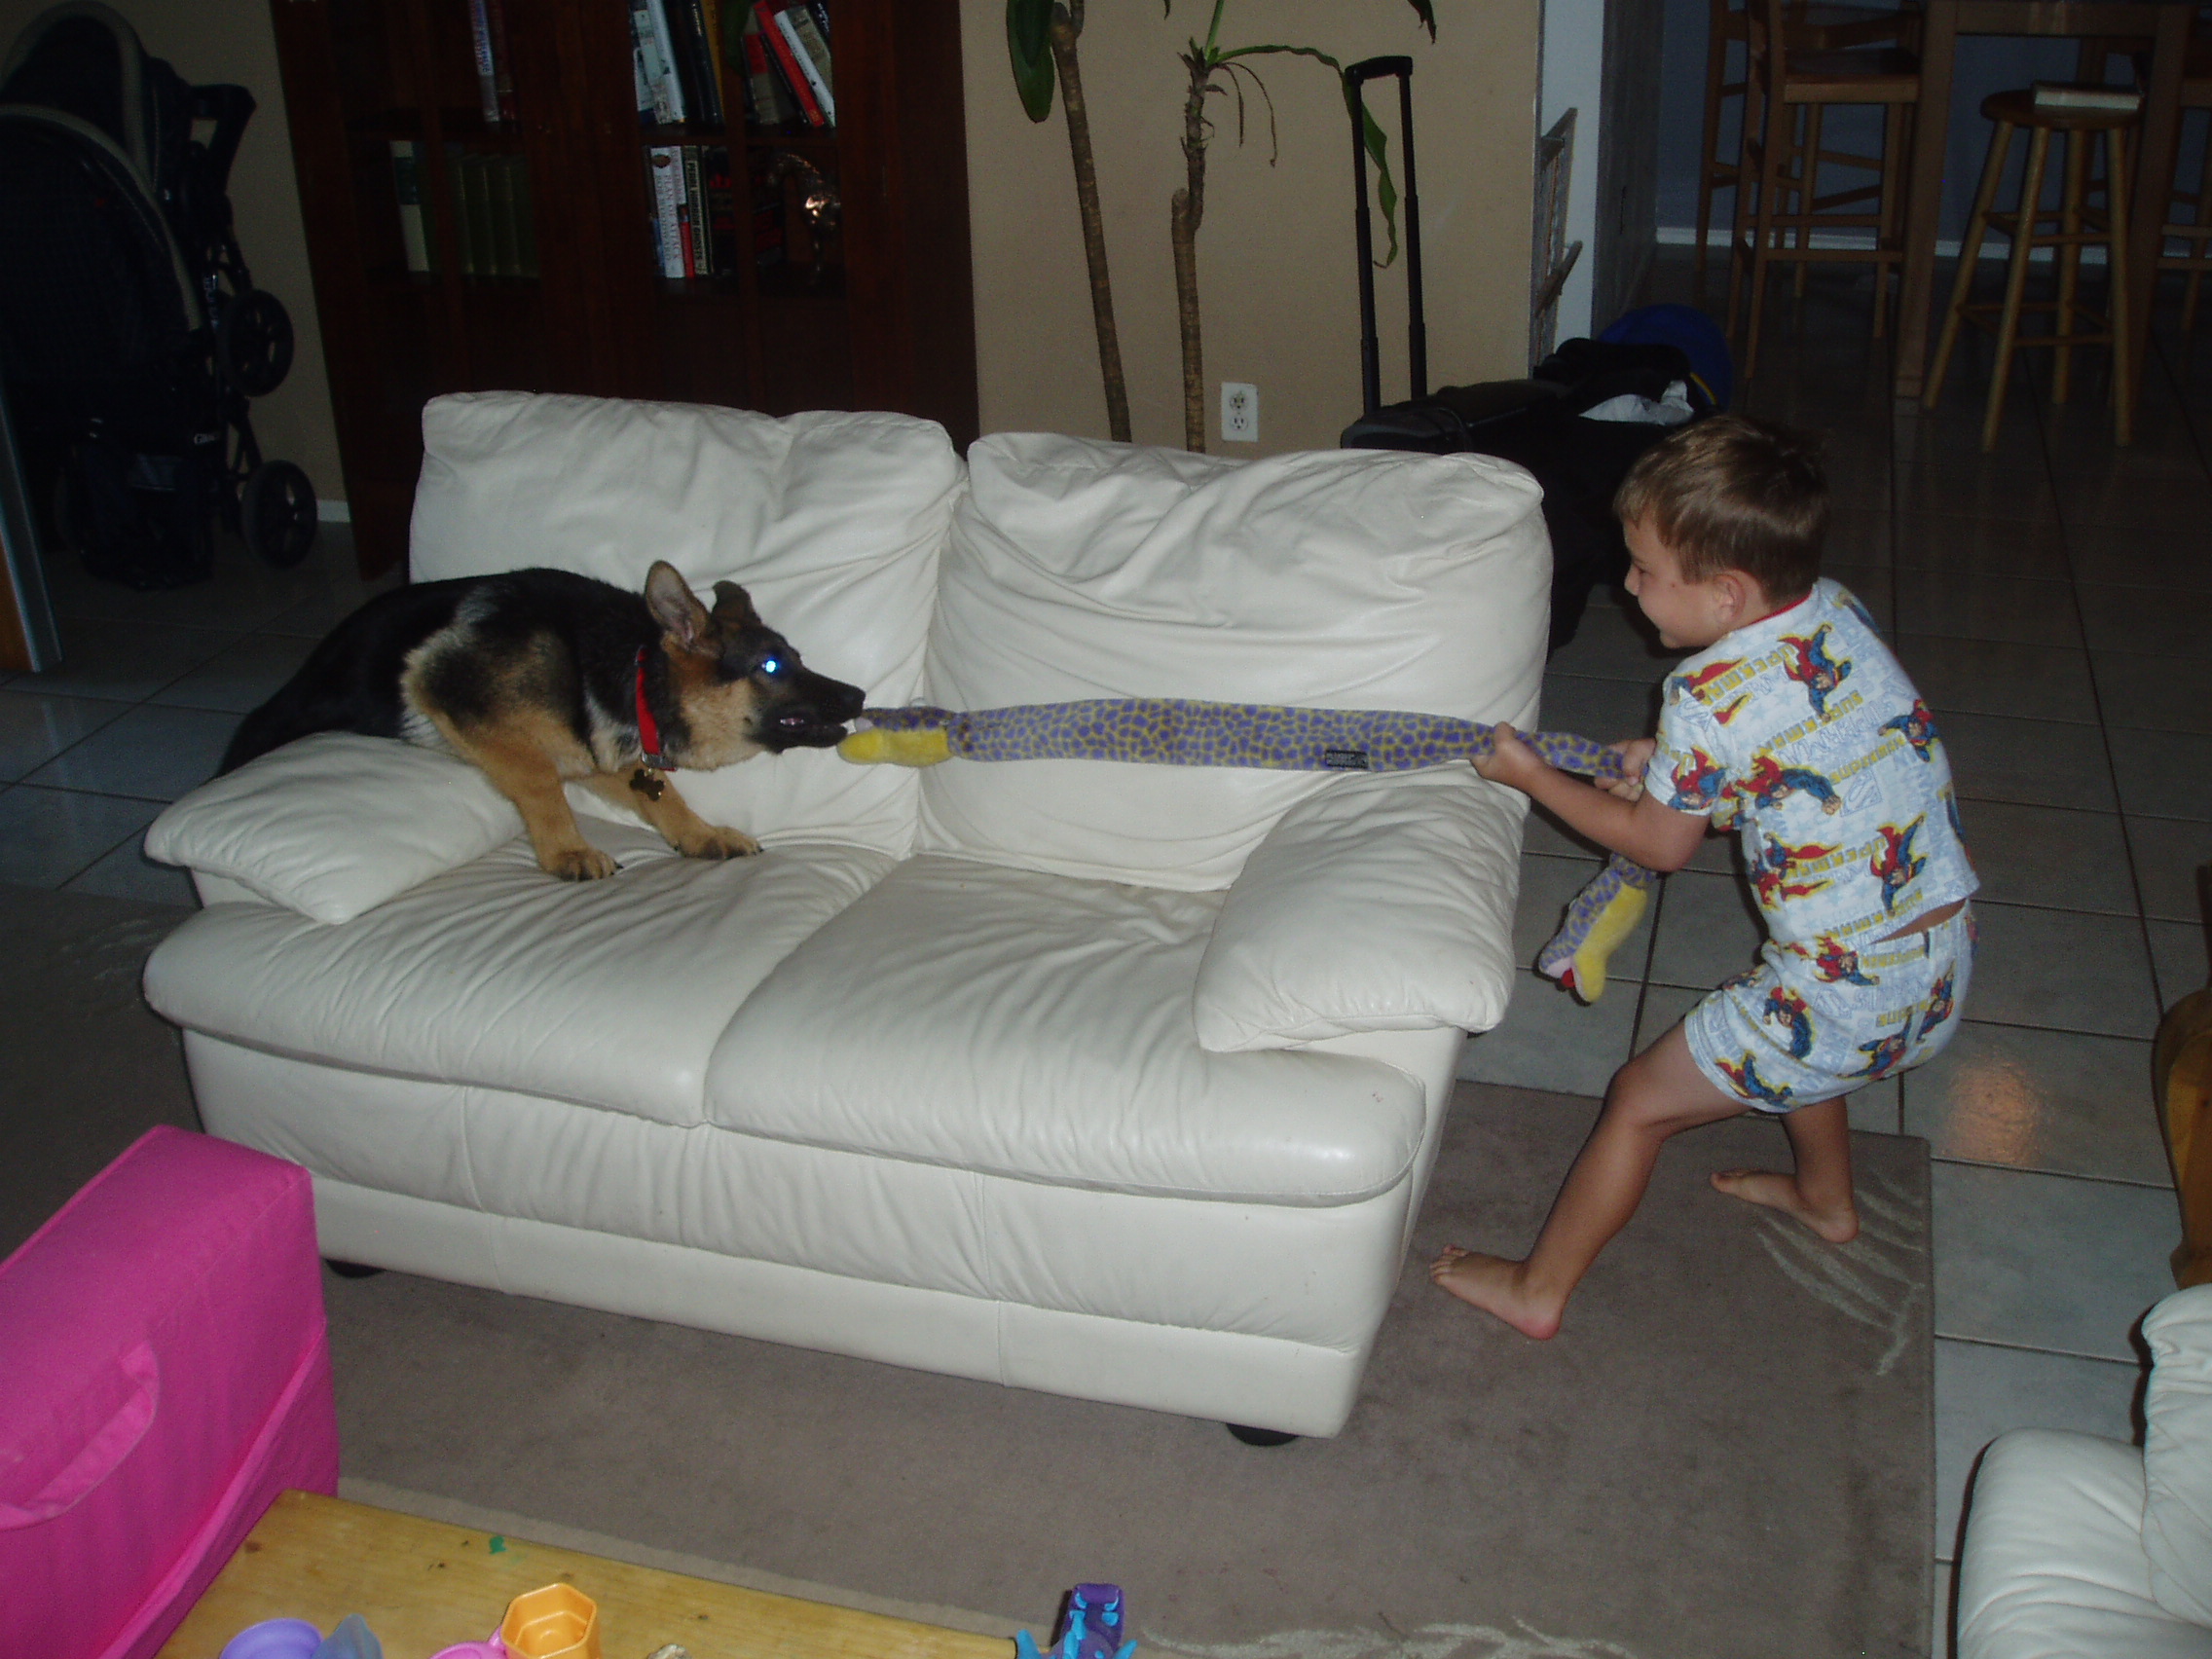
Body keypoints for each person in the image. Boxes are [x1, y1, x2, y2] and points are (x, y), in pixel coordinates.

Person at [1432, 415, 1976, 1340]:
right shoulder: (1834, 612)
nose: (1627, 584)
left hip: (1844, 990)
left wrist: (1531, 777)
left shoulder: (1703, 697)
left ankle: (1537, 1292)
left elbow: (1657, 847)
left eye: (1645, 570)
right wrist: (1676, 771)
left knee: (1638, 1102)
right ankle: (1826, 1201)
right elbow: (1808, 752)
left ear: (1726, 595)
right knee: (1804, 1043)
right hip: (1935, 964)